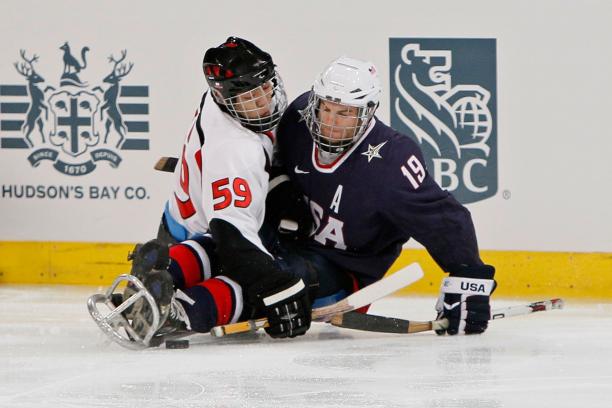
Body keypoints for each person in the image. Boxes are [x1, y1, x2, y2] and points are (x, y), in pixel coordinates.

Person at [271, 56, 497, 335]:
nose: (330, 122)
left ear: (367, 112)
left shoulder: (391, 160)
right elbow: (273, 165)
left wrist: (468, 279)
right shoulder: (299, 118)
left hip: (343, 271)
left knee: (282, 277)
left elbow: (444, 218)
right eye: (326, 109)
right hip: (289, 246)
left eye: (344, 113)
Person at [110, 37, 312, 346]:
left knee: (251, 256)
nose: (263, 103)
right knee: (265, 281)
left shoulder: (218, 100)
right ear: (227, 99)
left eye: (266, 89)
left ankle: (165, 269)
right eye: (250, 98)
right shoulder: (236, 150)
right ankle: (182, 311)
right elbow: (232, 238)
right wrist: (278, 288)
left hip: (178, 224)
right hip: (205, 235)